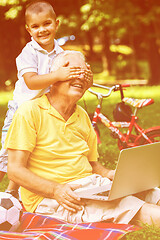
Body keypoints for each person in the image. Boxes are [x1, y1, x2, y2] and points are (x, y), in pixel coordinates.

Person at [5, 50, 160, 227]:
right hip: (55, 197)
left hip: (92, 186)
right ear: (55, 76)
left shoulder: (82, 116)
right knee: (129, 206)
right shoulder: (29, 112)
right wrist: (56, 190)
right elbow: (15, 170)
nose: (80, 77)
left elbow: (92, 165)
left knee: (152, 193)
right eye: (73, 71)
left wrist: (112, 175)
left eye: (84, 73)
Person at [0, 0, 92, 198]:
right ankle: (5, 191)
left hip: (44, 111)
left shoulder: (61, 53)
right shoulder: (28, 53)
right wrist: (59, 75)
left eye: (46, 23)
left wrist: (86, 79)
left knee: (30, 153)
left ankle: (12, 193)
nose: (42, 29)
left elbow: (70, 81)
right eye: (35, 26)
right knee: (8, 155)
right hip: (21, 111)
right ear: (28, 29)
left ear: (56, 24)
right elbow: (32, 82)